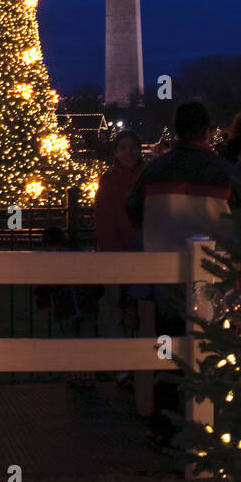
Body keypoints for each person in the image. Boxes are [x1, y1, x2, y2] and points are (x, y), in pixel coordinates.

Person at [126, 100, 237, 450]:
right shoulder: (226, 172)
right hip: (216, 278)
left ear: (177, 130)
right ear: (207, 130)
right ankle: (208, 426)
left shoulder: (155, 170)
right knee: (211, 353)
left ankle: (164, 427)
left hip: (166, 277)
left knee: (167, 353)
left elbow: (133, 210)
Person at [93, 129, 145, 389]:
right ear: (116, 153)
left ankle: (142, 364)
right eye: (123, 148)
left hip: (143, 256)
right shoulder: (109, 179)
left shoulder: (147, 178)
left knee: (142, 312)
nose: (129, 152)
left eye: (132, 147)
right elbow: (104, 220)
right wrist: (109, 254)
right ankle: (122, 369)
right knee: (115, 310)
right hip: (116, 255)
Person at [34, 225, 104, 387]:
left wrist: (43, 300)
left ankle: (74, 376)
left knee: (70, 342)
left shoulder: (52, 260)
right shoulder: (81, 255)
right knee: (87, 343)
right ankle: (87, 376)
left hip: (65, 307)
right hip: (87, 304)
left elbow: (45, 285)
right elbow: (96, 281)